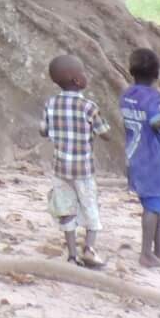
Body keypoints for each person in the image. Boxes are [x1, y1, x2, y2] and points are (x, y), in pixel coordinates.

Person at [42, 53, 110, 269]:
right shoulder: (89, 107)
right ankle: (89, 249)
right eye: (83, 72)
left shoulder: (51, 105)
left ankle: (72, 255)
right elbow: (104, 132)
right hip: (84, 170)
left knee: (66, 209)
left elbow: (43, 131)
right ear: (77, 80)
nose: (85, 75)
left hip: (61, 169)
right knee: (90, 207)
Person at [120, 48, 160, 266]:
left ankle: (158, 248)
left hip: (134, 156)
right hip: (153, 159)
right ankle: (146, 253)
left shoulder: (126, 95)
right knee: (153, 206)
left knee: (154, 204)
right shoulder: (153, 96)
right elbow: (155, 121)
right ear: (157, 74)